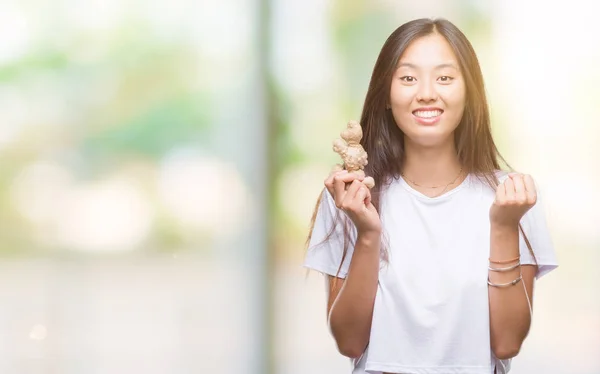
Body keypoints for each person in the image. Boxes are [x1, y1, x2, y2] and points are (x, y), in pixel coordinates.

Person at [303, 18, 558, 374]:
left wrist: (503, 227)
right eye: (408, 78)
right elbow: (349, 341)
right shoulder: (351, 195)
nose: (426, 92)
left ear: (470, 93)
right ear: (387, 96)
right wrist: (368, 234)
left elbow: (507, 342)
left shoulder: (513, 197)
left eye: (444, 78)